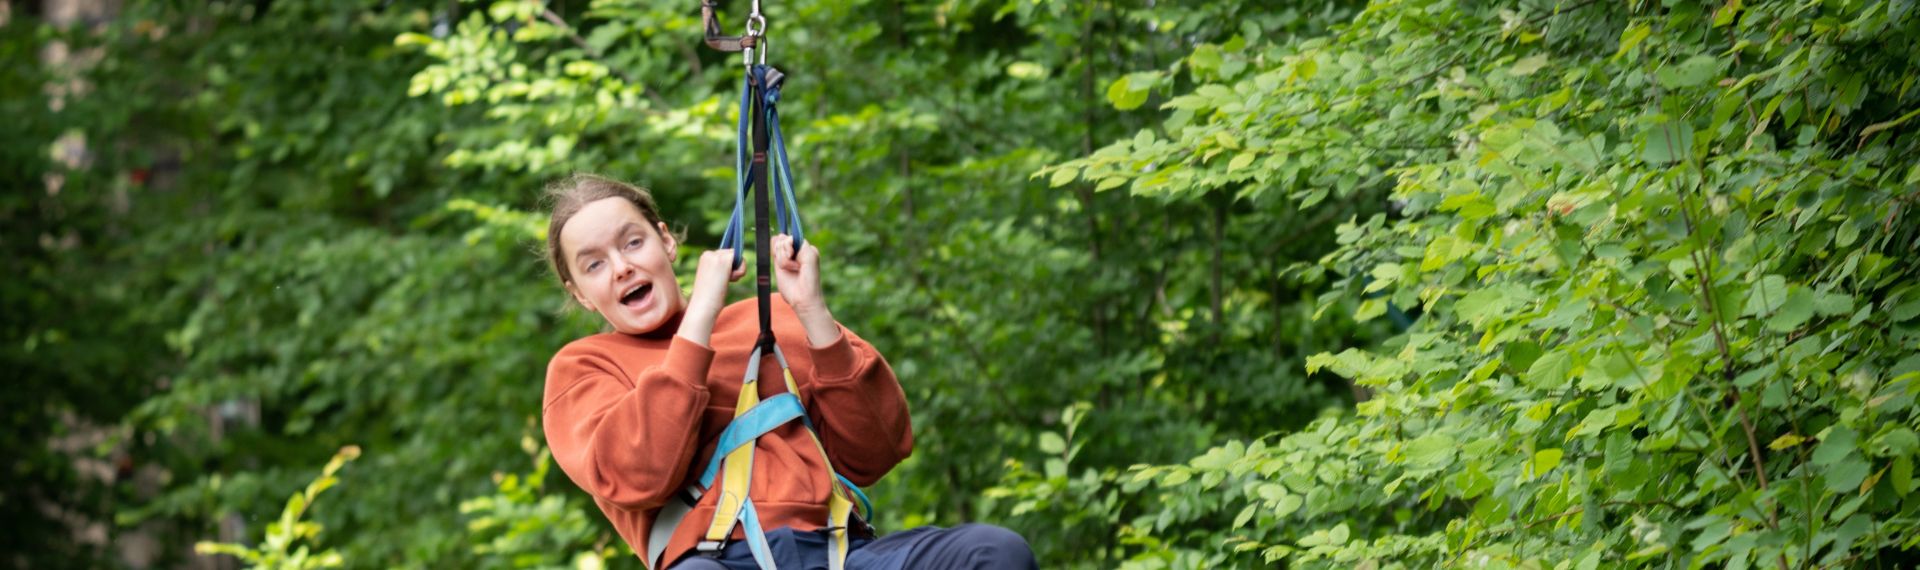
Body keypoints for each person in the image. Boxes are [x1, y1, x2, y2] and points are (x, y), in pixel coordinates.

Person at [538, 174, 1036, 569]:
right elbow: (637, 475)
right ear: (580, 293)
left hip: (839, 550)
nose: (622, 267)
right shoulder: (583, 369)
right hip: (715, 562)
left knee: (994, 553)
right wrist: (701, 318)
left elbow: (879, 449)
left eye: (632, 243)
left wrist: (813, 313)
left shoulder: (773, 318)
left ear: (665, 242)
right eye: (595, 265)